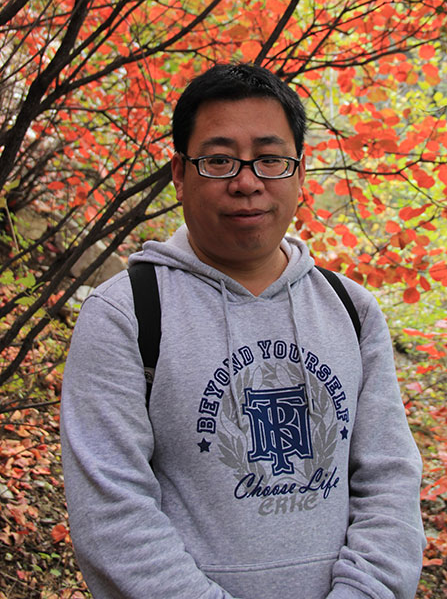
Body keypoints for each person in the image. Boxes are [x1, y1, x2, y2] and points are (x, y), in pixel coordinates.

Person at [60, 63, 425, 599]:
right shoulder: (126, 314)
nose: (247, 182)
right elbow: (112, 513)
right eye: (219, 160)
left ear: (300, 172)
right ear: (179, 173)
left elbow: (390, 482)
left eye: (270, 159)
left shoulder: (352, 310)